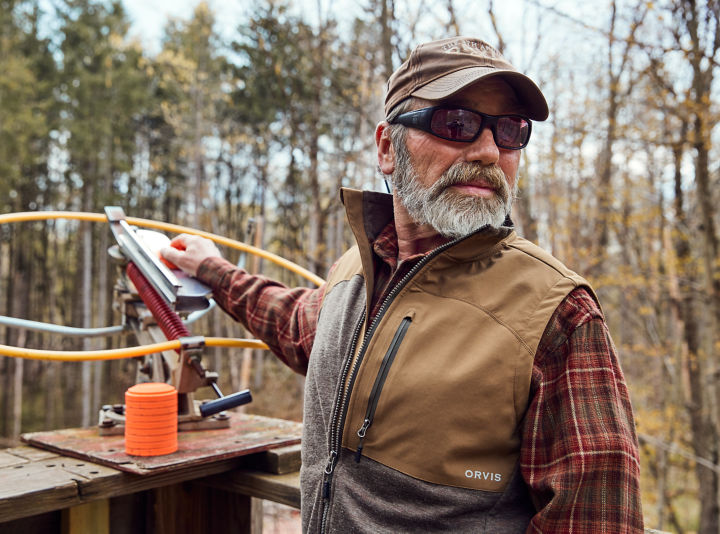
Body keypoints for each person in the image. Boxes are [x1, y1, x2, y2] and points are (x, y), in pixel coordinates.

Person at [162, 36, 643, 533]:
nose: (487, 150)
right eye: (456, 123)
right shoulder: (358, 267)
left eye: (509, 130)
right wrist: (212, 270)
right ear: (387, 147)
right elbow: (300, 326)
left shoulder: (556, 313)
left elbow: (595, 520)